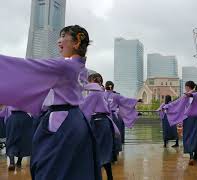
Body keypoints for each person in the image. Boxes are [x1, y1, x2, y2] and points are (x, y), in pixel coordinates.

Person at [0, 25, 101, 180]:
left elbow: (25, 68)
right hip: (76, 120)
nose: (59, 41)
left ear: (75, 43)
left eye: (63, 37)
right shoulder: (81, 67)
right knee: (72, 167)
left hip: (61, 121)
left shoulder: (64, 65)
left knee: (49, 166)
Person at [81, 73, 120, 180]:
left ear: (92, 81)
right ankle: (109, 176)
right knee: (104, 151)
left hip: (98, 124)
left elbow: (83, 107)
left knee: (96, 151)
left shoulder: (94, 94)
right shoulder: (103, 92)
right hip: (105, 123)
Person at [164, 81, 197, 165]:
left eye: (186, 87)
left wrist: (167, 106)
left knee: (189, 136)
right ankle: (194, 156)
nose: (185, 89)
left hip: (189, 119)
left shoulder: (188, 96)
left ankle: (192, 156)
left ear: (188, 87)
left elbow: (176, 103)